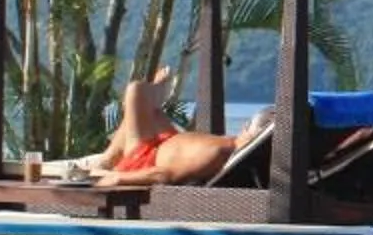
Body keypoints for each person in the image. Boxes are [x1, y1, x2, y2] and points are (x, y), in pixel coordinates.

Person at [85, 73, 264, 189]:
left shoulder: (216, 152)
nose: (244, 126)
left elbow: (163, 174)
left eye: (249, 125)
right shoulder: (229, 145)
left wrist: (118, 177)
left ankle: (110, 158)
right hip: (165, 140)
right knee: (149, 108)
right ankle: (111, 155)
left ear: (251, 134)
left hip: (144, 157)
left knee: (136, 90)